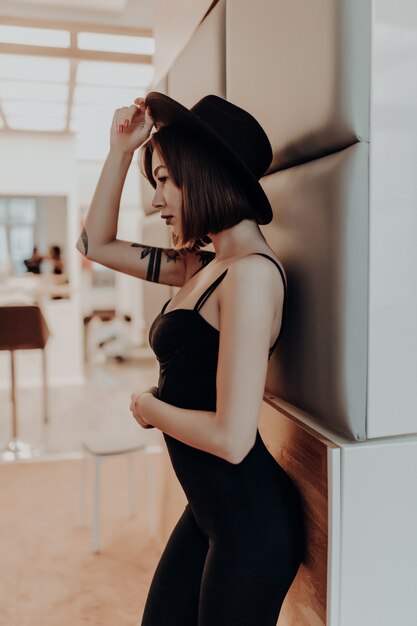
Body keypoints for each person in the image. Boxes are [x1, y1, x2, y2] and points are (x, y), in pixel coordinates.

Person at [76, 93, 306, 626]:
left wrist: (148, 407)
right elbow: (96, 243)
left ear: (203, 173)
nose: (157, 201)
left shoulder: (250, 274)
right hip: (210, 512)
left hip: (251, 527)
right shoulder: (201, 265)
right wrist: (119, 152)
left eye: (164, 180)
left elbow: (232, 437)